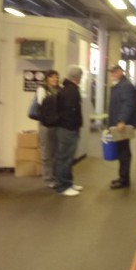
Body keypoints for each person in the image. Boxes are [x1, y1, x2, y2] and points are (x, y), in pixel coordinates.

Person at [54, 66, 83, 196]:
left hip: (66, 128)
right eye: (80, 76)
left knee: (67, 157)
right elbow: (71, 112)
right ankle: (62, 186)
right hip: (68, 129)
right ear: (76, 77)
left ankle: (68, 182)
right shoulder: (71, 91)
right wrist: (73, 126)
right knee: (65, 158)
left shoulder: (65, 89)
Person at [108, 65, 136, 189]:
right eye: (111, 73)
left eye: (114, 72)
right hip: (118, 124)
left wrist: (122, 120)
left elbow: (128, 104)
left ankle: (124, 180)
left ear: (120, 72)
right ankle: (122, 177)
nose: (112, 75)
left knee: (124, 153)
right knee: (122, 151)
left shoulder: (125, 86)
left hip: (122, 125)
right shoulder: (119, 85)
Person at [36, 69, 60, 188]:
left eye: (56, 77)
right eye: (52, 77)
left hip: (56, 125)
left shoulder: (59, 90)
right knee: (46, 153)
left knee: (55, 152)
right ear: (47, 79)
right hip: (45, 125)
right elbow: (42, 104)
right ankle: (47, 178)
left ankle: (54, 176)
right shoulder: (42, 89)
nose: (55, 79)